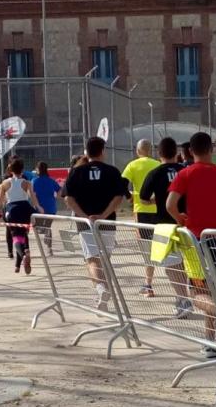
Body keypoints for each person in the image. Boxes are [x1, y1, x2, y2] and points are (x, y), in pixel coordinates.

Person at [167, 132, 216, 359]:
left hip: (196, 241)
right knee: (212, 291)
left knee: (196, 294)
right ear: (211, 150)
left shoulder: (185, 174)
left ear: (190, 151)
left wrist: (180, 219)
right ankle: (209, 342)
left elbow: (170, 203)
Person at [63, 137, 127, 311]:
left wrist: (85, 216)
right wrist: (104, 215)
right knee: (104, 260)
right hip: (107, 222)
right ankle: (103, 297)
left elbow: (68, 198)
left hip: (85, 224)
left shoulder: (76, 172)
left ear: (86, 152)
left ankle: (100, 289)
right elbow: (119, 196)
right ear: (102, 151)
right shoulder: (112, 171)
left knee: (92, 260)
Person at [140, 137, 194, 320]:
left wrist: (158, 200)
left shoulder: (155, 173)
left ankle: (183, 299)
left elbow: (144, 198)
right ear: (176, 153)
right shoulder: (185, 170)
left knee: (171, 265)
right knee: (185, 263)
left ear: (159, 153)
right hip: (187, 223)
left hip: (164, 224)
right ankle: (183, 298)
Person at [122, 139, 161, 297]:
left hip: (141, 211)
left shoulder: (133, 165)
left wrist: (130, 197)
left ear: (137, 151)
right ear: (150, 150)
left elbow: (121, 183)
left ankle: (148, 284)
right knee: (163, 247)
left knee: (146, 248)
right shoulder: (157, 164)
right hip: (158, 210)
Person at [0, 158, 44, 274]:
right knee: (23, 234)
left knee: (16, 237)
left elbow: (0, 202)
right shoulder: (26, 183)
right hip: (25, 209)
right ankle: (24, 254)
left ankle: (22, 256)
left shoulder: (5, 183)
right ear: (22, 169)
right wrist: (39, 207)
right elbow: (32, 197)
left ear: (10, 170)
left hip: (12, 210)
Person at [32, 161, 61, 255]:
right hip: (51, 208)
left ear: (37, 170)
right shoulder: (51, 180)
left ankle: (45, 232)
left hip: (39, 209)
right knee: (48, 227)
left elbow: (32, 194)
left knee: (38, 227)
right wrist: (57, 196)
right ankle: (49, 248)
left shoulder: (34, 181)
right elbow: (60, 190)